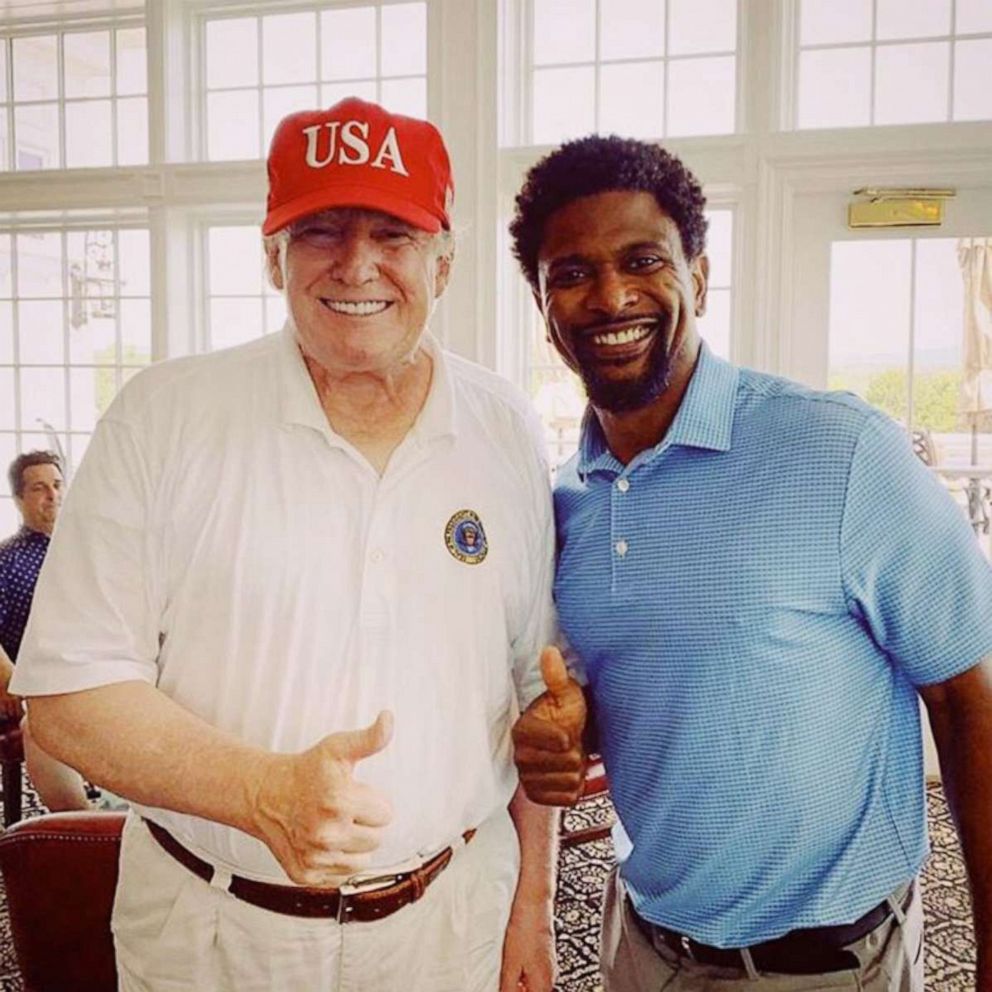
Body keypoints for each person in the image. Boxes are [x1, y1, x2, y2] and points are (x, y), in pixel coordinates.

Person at [12, 98, 557, 992]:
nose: (357, 264)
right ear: (272, 255)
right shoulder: (164, 416)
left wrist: (533, 903)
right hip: (214, 934)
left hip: (454, 924)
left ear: (445, 261)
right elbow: (68, 700)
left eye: (394, 232)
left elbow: (533, 689)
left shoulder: (504, 427)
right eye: (320, 231)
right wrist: (260, 791)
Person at [508, 134, 992, 992]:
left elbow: (966, 698)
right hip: (642, 945)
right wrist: (570, 733)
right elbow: (652, 683)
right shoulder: (567, 504)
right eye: (571, 274)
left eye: (643, 260)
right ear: (544, 310)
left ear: (698, 276)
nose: (610, 294)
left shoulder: (841, 453)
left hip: (830, 966)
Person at [0, 450, 94, 812]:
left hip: (92, 673)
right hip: (37, 683)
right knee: (41, 727)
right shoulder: (6, 560)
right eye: (39, 488)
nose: (52, 495)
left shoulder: (87, 552)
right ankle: (78, 825)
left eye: (57, 485)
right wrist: (9, 678)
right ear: (19, 499)